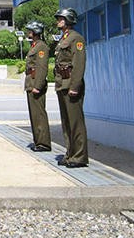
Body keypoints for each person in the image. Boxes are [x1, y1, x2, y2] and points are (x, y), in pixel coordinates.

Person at [52, 9, 89, 167]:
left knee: (75, 122)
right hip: (62, 84)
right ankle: (70, 154)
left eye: (60, 18)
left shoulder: (76, 38)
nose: (58, 21)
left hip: (71, 84)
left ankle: (79, 156)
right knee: (66, 122)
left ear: (68, 20)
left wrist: (75, 86)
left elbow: (79, 64)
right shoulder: (64, 39)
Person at [22, 21, 52, 151]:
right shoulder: (35, 46)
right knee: (34, 115)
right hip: (30, 82)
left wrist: (38, 86)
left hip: (35, 83)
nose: (28, 32)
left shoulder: (41, 47)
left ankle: (43, 143)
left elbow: (42, 67)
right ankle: (38, 141)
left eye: (30, 30)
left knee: (39, 114)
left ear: (36, 32)